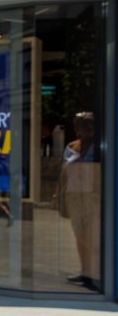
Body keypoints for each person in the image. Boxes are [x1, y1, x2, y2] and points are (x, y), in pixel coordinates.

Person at [60, 112, 100, 291]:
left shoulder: (101, 147)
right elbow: (64, 173)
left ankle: (95, 271)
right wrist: (57, 196)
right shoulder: (72, 147)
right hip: (74, 195)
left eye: (89, 124)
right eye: (82, 125)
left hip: (93, 195)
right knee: (79, 234)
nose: (86, 128)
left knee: (93, 234)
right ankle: (84, 270)